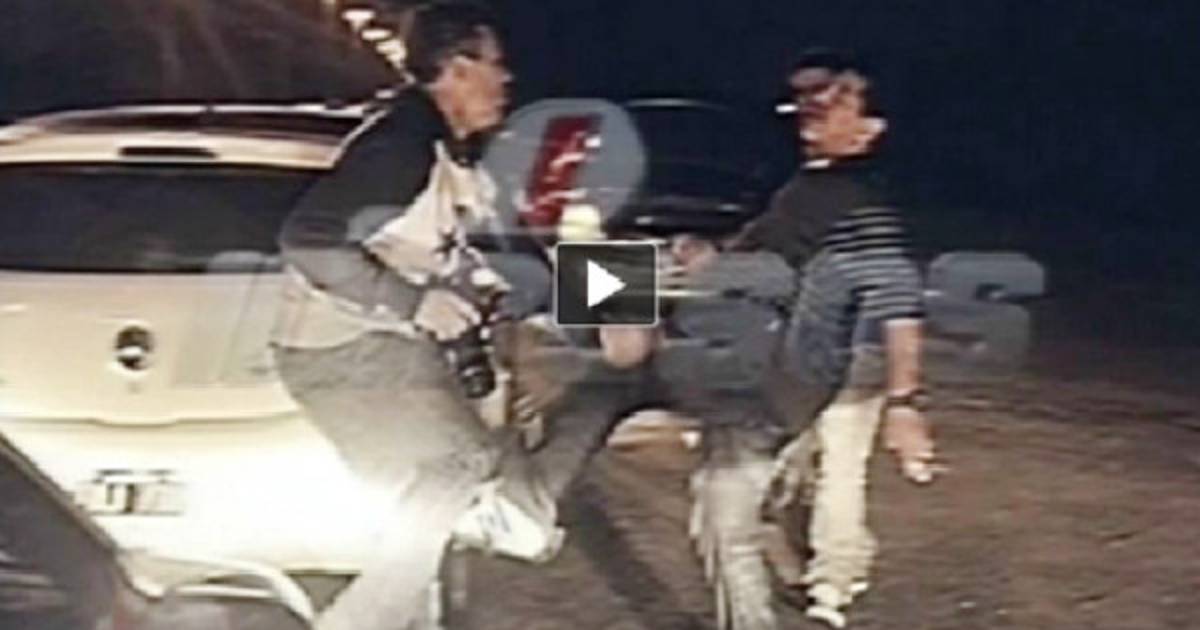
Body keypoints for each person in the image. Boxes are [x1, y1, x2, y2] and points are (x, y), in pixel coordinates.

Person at [269, 3, 562, 629]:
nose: (507, 78)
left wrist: (644, 285)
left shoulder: (451, 155)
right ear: (456, 69)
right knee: (459, 463)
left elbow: (522, 257)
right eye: (495, 64)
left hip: (385, 351)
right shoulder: (399, 149)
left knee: (427, 508)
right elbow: (309, 241)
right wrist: (415, 301)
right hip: (341, 352)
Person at [673, 49, 936, 629]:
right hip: (806, 358)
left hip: (845, 358)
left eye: (840, 99)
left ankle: (830, 591)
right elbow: (765, 251)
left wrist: (905, 401)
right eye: (816, 96)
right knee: (802, 468)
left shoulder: (855, 198)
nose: (817, 105)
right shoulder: (814, 186)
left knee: (832, 469)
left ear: (870, 129)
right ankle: (829, 575)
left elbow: (899, 301)